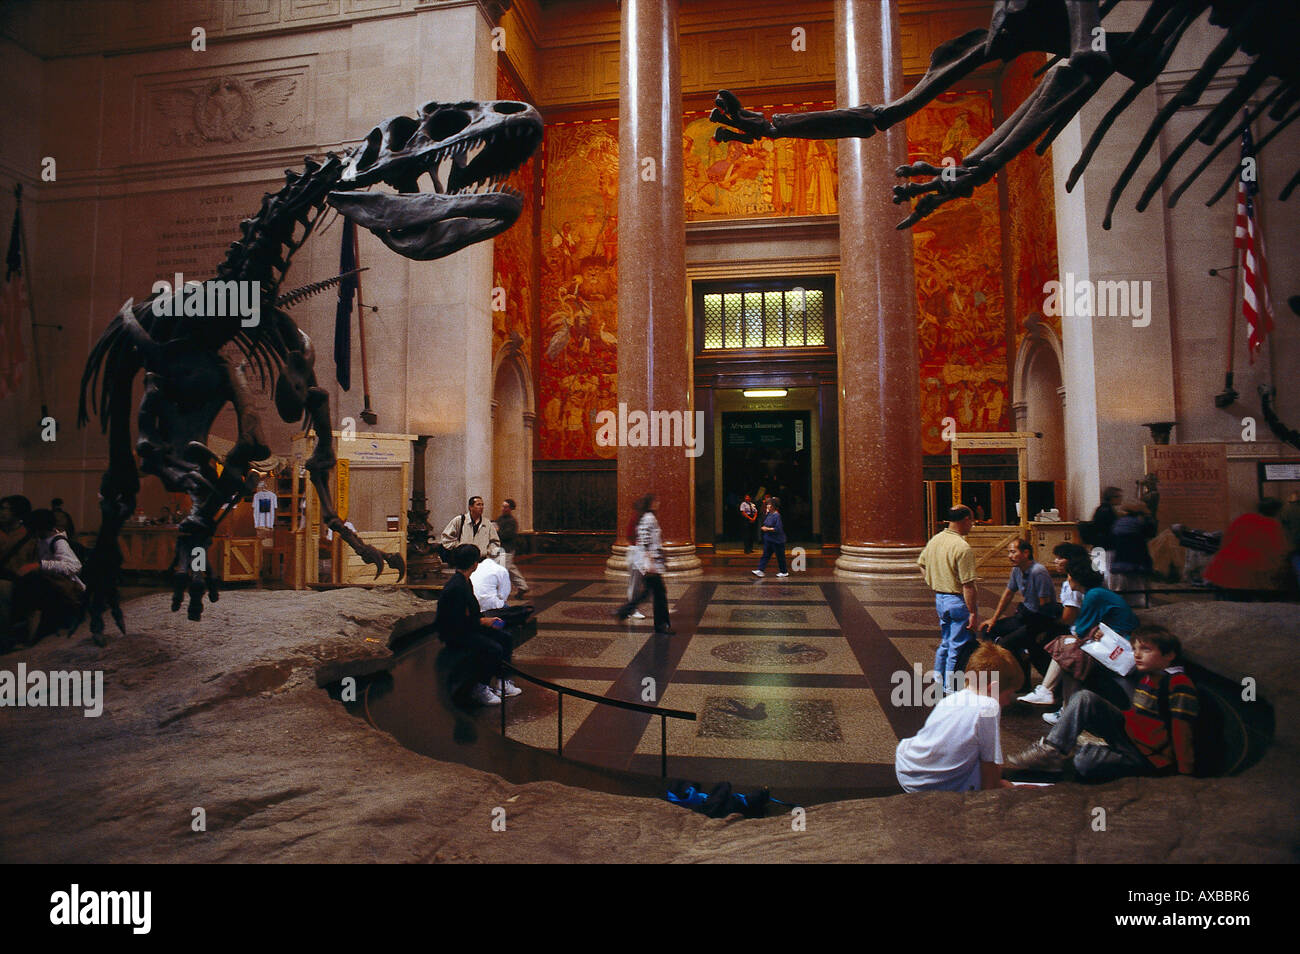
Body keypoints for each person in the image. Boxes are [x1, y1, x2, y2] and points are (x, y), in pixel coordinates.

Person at [1008, 625, 1198, 781]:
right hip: (1130, 738)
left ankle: (1087, 752)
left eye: (1146, 650)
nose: (1137, 655)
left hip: (1148, 756)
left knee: (1083, 762)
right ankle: (1051, 751)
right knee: (1084, 698)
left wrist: (1183, 773)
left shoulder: (1178, 684)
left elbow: (1182, 730)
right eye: (1135, 649)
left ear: (1169, 655)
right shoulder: (1146, 678)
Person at [895, 643, 1024, 792]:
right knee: (985, 770)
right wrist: (1009, 788)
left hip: (908, 767)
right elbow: (990, 768)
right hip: (929, 785)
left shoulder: (952, 699)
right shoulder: (988, 706)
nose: (1008, 702)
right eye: (1008, 695)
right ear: (992, 688)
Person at [436, 544, 518, 705]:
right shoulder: (457, 587)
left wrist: (487, 621)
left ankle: (503, 681)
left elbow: (471, 611)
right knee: (492, 648)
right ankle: (480, 687)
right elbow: (456, 621)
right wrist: (483, 621)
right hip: (455, 633)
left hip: (468, 626)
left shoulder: (465, 581)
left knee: (505, 637)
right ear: (474, 563)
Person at [979, 537, 1059, 687]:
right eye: (1009, 552)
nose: (1010, 556)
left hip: (1039, 619)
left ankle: (1021, 678)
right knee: (987, 630)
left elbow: (1045, 606)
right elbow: (1008, 593)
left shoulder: (1038, 572)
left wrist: (1042, 631)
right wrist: (993, 619)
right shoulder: (1016, 570)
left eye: (1013, 552)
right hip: (1025, 615)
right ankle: (1020, 660)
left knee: (1007, 643)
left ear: (1026, 553)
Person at [1017, 542, 1087, 707]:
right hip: (1073, 629)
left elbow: (1068, 619)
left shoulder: (1074, 586)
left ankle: (1048, 689)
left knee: (1039, 641)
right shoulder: (1069, 583)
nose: (1055, 561)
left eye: (1060, 558)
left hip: (1077, 632)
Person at [917, 505, 978, 694]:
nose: (973, 525)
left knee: (945, 641)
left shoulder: (935, 540)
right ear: (965, 519)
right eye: (972, 521)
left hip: (940, 598)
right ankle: (951, 687)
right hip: (957, 600)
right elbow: (968, 585)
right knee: (957, 645)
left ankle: (938, 677)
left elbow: (921, 564)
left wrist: (933, 581)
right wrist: (973, 612)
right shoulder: (962, 547)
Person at [11, 508, 85, 645]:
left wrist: (40, 565)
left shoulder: (58, 541)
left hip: (61, 590)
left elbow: (74, 566)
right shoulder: (39, 540)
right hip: (47, 584)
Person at [1203, 498, 1289, 599]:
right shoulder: (1274, 526)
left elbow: (1225, 541)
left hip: (1225, 570)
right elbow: (1279, 551)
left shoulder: (1243, 518)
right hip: (1248, 576)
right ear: (1276, 511)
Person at [615, 494, 673, 634]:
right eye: (655, 501)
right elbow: (645, 540)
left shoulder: (647, 517)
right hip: (650, 564)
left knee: (649, 593)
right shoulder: (648, 518)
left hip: (651, 563)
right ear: (650, 504)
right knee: (658, 594)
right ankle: (661, 625)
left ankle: (624, 611)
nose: (658, 503)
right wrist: (650, 562)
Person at [0, 495, 37, 643]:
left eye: (4, 509)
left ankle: (5, 635)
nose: (1, 513)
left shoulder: (29, 536)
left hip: (18, 580)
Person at [1109, 501, 1156, 604]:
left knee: (1124, 580)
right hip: (1136, 553)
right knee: (1141, 579)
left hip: (1122, 554)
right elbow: (1150, 532)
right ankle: (1145, 600)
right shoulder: (1139, 522)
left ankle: (1122, 600)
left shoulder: (1120, 522)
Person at [439, 496, 500, 567]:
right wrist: (459, 547)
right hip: (463, 561)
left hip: (481, 561)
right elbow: (446, 537)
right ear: (470, 507)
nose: (481, 507)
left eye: (482, 505)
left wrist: (488, 552)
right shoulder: (459, 520)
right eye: (478, 504)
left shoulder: (487, 523)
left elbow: (495, 542)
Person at [1082, 487, 1122, 587]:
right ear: (1111, 498)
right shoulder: (1108, 511)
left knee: (1098, 571)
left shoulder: (1100, 509)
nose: (1120, 499)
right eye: (1118, 496)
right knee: (1108, 572)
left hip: (1098, 545)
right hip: (1107, 546)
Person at [495, 499, 529, 596]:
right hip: (501, 549)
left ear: (510, 509)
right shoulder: (500, 519)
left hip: (508, 549)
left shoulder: (512, 521)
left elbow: (507, 535)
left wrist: (497, 531)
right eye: (502, 506)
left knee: (503, 571)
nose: (503, 509)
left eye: (505, 507)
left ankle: (499, 592)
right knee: (510, 569)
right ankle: (523, 586)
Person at [751, 496, 788, 578]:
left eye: (769, 504)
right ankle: (760, 570)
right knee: (765, 555)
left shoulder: (777, 516)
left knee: (780, 556)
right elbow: (765, 522)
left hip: (777, 540)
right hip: (769, 539)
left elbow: (778, 528)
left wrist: (767, 529)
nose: (767, 506)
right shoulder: (770, 514)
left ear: (774, 506)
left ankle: (784, 571)